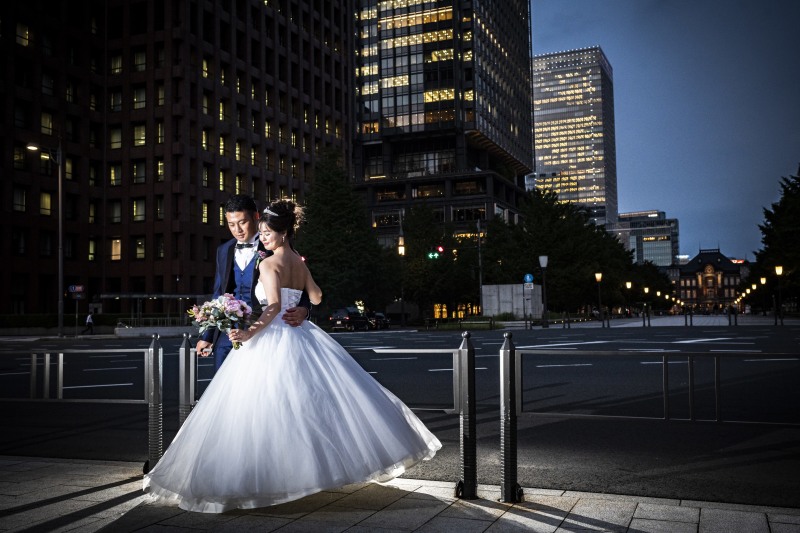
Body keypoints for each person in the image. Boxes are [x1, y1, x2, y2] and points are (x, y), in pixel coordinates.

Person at [143, 200, 441, 513]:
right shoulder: (286, 257)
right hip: (294, 337)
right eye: (237, 225)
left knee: (260, 409)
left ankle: (264, 477)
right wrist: (213, 332)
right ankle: (297, 471)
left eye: (259, 228)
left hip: (266, 336)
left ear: (273, 228)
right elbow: (313, 293)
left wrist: (269, 323)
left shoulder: (269, 260)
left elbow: (274, 306)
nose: (256, 234)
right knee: (290, 406)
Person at [195, 194, 310, 369]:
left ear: (256, 218)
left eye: (242, 222)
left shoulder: (276, 246)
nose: (237, 230)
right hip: (229, 333)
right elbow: (218, 293)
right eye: (231, 224)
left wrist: (304, 309)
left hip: (265, 331)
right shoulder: (224, 250)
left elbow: (298, 283)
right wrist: (207, 335)